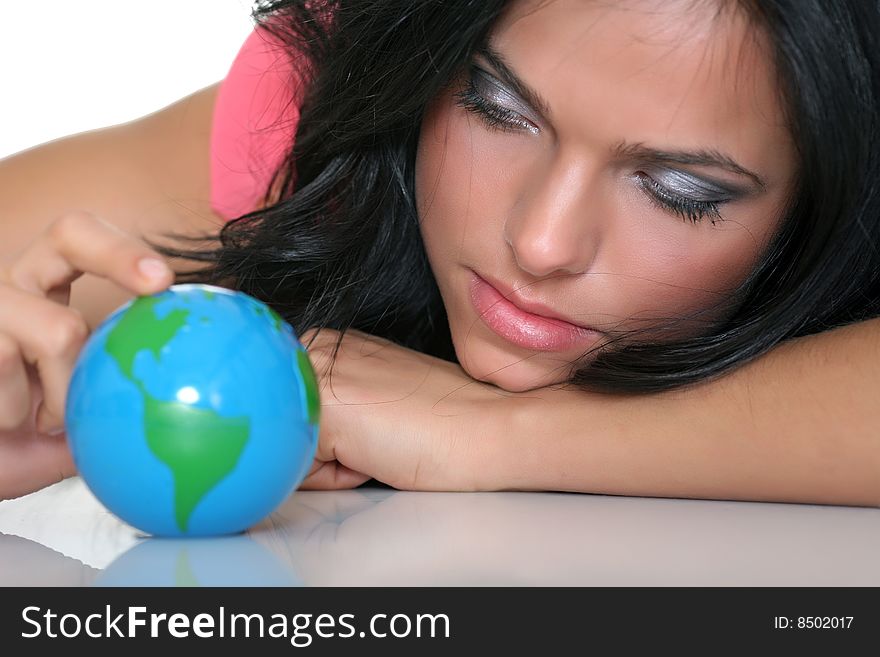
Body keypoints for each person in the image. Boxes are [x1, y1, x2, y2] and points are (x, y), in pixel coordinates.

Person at [0, 0, 878, 506]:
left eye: (679, 190)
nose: (540, 243)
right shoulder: (324, 138)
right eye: (498, 107)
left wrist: (496, 436)